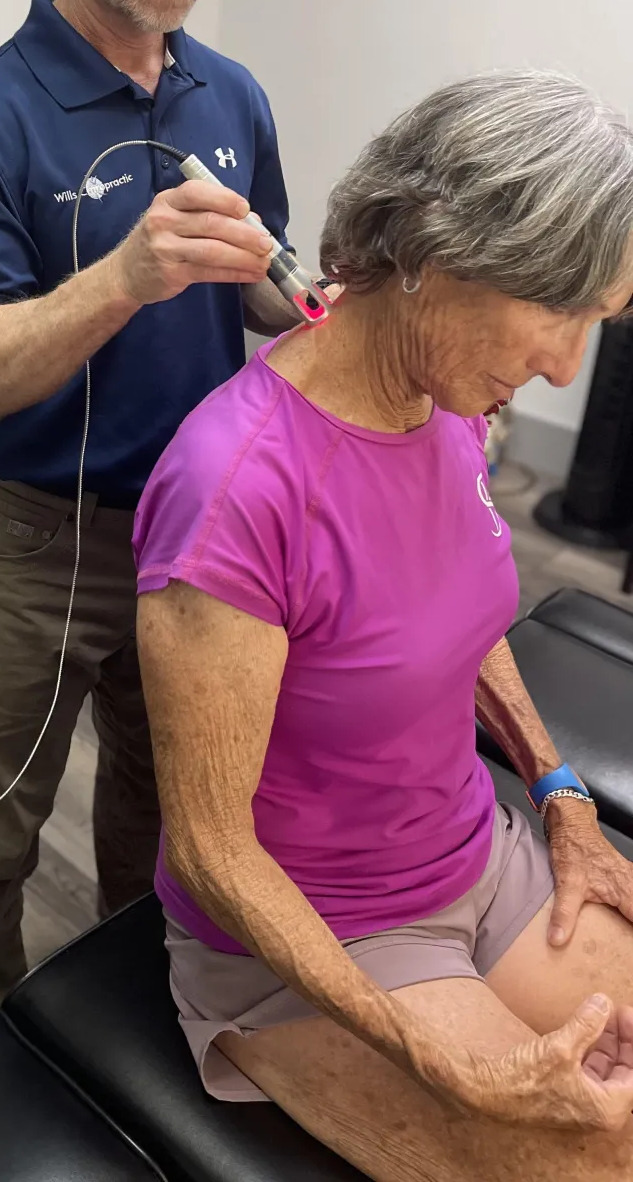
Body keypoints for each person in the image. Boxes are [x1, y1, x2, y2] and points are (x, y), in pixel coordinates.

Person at [134, 70, 633, 1182]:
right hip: (312, 936)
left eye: (591, 325)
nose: (562, 366)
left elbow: (450, 609)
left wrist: (558, 793)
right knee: (603, 1152)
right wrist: (436, 1059)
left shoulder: (443, 402)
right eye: (555, 314)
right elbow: (213, 854)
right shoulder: (236, 488)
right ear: (432, 259)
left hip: (472, 854)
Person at [0, 0, 313, 1017]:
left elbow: (258, 276)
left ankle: (134, 1017)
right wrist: (124, 277)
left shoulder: (228, 92)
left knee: (168, 801)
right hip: (36, 545)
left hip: (199, 537)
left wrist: (309, 302)